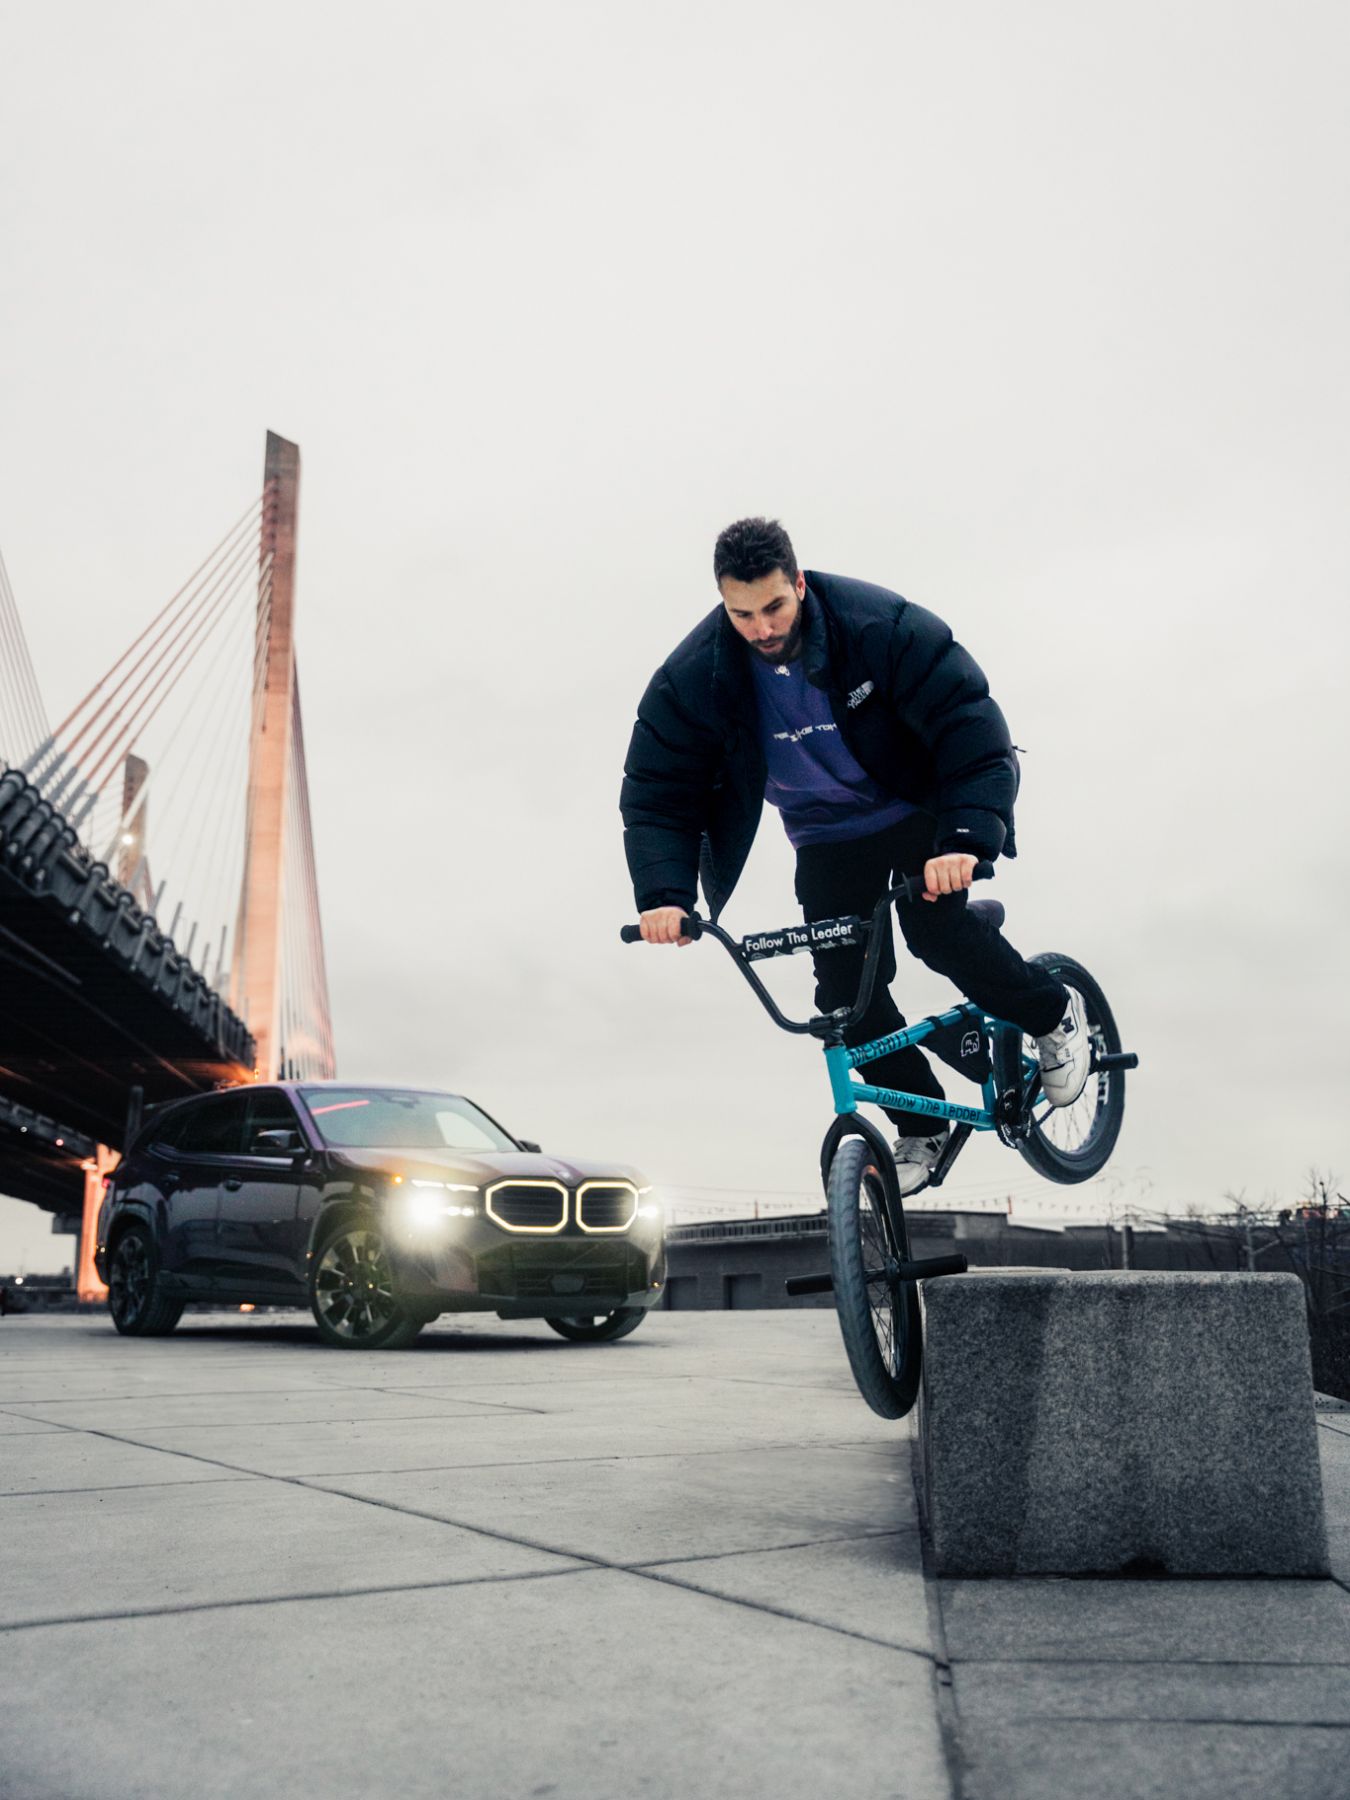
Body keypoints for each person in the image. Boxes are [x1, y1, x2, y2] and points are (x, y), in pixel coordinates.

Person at [620, 516, 1090, 1195]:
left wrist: (962, 840)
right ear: (723, 603)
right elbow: (660, 789)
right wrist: (665, 895)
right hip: (826, 837)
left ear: (800, 583)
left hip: (913, 807)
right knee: (845, 998)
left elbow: (968, 722)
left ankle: (1052, 1014)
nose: (762, 627)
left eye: (775, 606)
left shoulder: (878, 627)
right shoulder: (699, 675)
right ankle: (919, 1126)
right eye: (742, 612)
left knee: (937, 932)